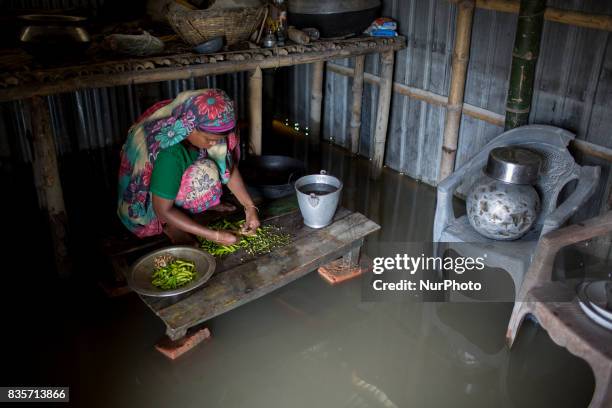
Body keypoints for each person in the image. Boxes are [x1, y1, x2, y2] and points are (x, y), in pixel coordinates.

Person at [117, 89, 259, 245]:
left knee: (209, 168)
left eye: (218, 139)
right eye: (209, 139)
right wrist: (215, 235)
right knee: (200, 175)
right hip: (156, 201)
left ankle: (195, 205)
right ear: (189, 126)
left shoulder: (208, 131)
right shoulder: (170, 154)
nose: (214, 143)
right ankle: (170, 225)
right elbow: (162, 210)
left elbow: (228, 169)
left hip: (173, 178)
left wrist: (249, 207)